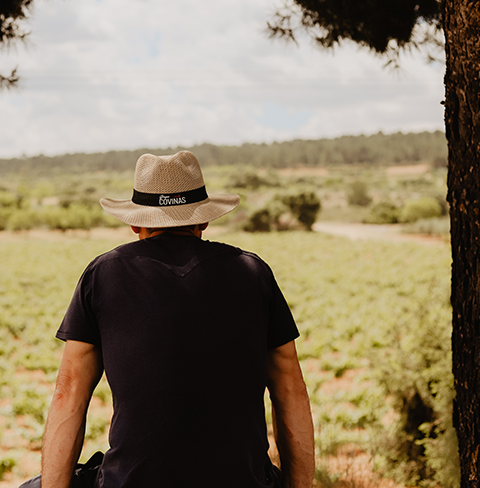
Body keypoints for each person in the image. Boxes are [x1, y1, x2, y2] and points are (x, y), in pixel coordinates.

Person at [38, 151, 315, 488]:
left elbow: (69, 393)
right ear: (204, 220)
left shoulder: (104, 274)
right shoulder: (253, 272)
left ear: (135, 222)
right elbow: (291, 390)